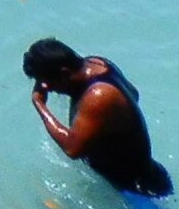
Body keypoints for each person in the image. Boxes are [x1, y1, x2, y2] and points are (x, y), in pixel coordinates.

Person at [26, 38, 173, 197]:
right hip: (146, 172)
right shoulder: (98, 63)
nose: (44, 87)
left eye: (45, 81)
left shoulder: (98, 98)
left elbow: (72, 149)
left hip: (136, 189)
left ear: (64, 73)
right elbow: (134, 93)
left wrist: (40, 104)